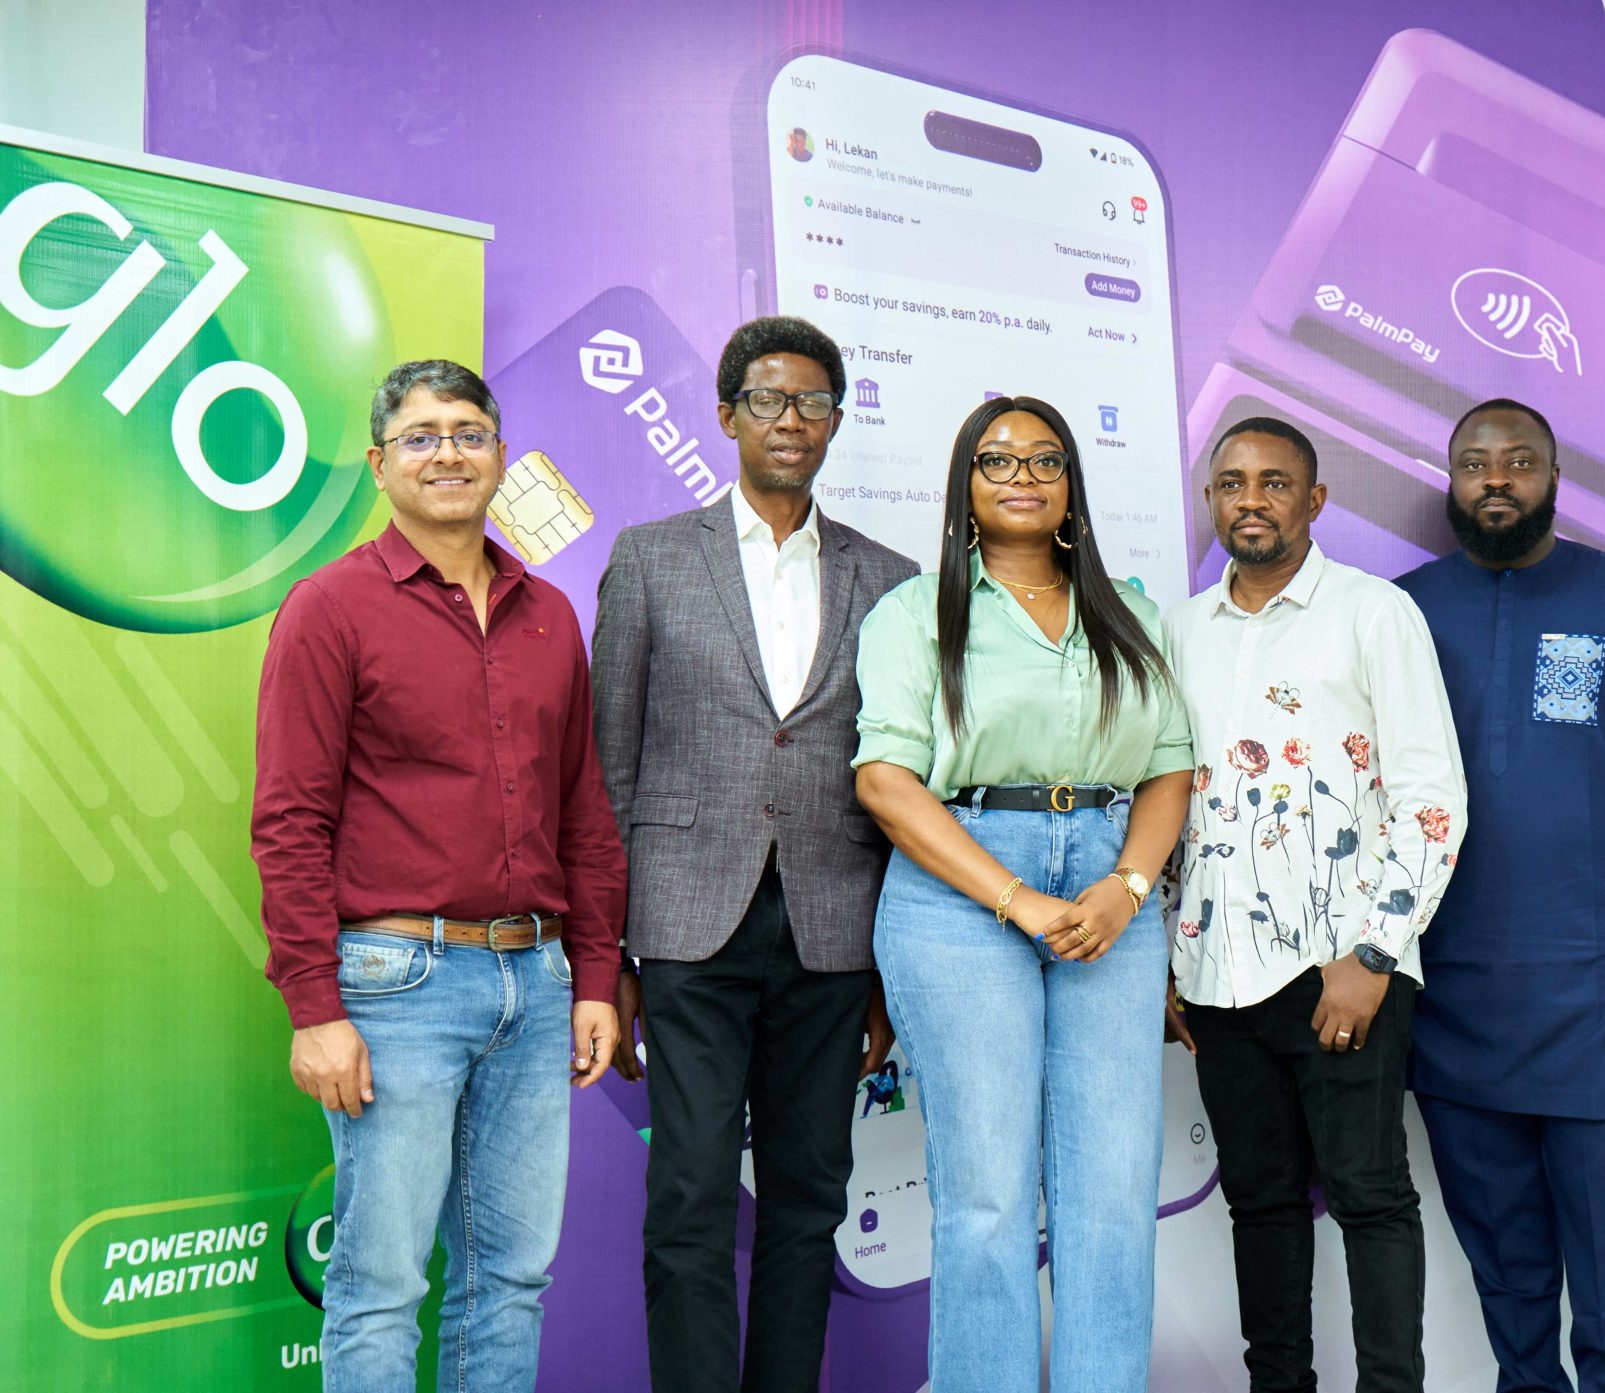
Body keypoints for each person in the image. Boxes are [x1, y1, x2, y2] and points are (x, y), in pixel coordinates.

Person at [251, 359, 626, 1392]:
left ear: (500, 457)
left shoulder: (550, 615)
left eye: (468, 433)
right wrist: (313, 1006)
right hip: (393, 986)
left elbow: (584, 814)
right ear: (381, 465)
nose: (448, 453)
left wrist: (595, 978)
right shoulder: (328, 609)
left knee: (511, 1277)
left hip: (536, 983)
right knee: (379, 1285)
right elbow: (289, 822)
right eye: (420, 436)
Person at [589, 315, 912, 1393]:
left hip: (833, 930)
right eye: (769, 400)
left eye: (813, 403)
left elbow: (900, 775)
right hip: (687, 923)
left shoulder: (891, 579)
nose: (791, 420)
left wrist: (887, 969)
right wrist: (608, 953)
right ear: (727, 414)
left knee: (809, 1198)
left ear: (836, 422)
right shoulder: (649, 558)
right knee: (686, 1194)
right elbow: (609, 763)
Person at [851, 394, 1193, 1391]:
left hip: (1111, 893)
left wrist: (1129, 885)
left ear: (1071, 485)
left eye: (1045, 460)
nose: (1022, 476)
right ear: (964, 483)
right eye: (996, 460)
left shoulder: (1129, 611)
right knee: (989, 1194)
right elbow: (885, 782)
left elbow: (1170, 765)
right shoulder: (915, 611)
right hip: (960, 892)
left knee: (1112, 1191)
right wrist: (1016, 897)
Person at [1396, 399, 1605, 1393]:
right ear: (1450, 478)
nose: (1495, 478)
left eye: (1519, 461)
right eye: (1474, 462)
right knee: (1509, 1288)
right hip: (1454, 999)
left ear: (1554, 478)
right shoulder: (1399, 612)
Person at [1163, 417, 1466, 1393]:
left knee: (1371, 1196)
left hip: (1342, 969)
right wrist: (1171, 959)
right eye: (1232, 483)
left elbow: (1432, 799)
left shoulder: (1374, 614)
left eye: (1275, 482)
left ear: (1315, 500)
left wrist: (1373, 956)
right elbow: (1165, 800)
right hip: (1217, 979)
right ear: (1211, 500)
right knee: (1259, 1205)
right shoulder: (1178, 631)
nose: (1251, 500)